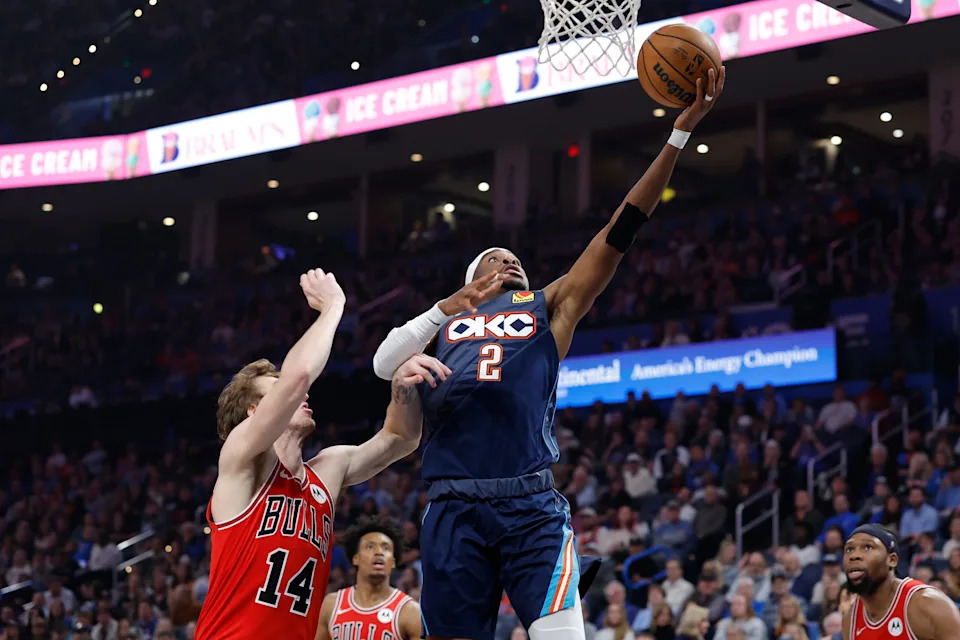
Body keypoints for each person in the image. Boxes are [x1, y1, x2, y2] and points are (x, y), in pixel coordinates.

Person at [371, 69, 726, 640]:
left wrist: (677, 137)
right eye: (493, 259)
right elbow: (382, 364)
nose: (507, 261)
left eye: (514, 258)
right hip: (452, 506)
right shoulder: (442, 325)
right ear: (469, 282)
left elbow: (619, 231)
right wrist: (445, 308)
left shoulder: (548, 307)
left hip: (529, 502)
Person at [194, 269, 445, 640]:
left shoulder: (327, 469)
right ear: (253, 411)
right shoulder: (243, 457)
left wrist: (401, 387)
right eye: (275, 390)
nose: (299, 395)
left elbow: (400, 439)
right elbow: (299, 377)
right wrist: (332, 307)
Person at [841, 524, 960, 639]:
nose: (854, 555)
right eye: (849, 549)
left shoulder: (926, 603)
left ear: (892, 560)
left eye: (867, 547)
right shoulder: (850, 621)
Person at [316, 517, 420, 640]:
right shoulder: (331, 605)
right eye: (370, 547)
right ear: (356, 558)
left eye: (386, 548)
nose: (379, 552)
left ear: (392, 562)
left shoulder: (410, 611)